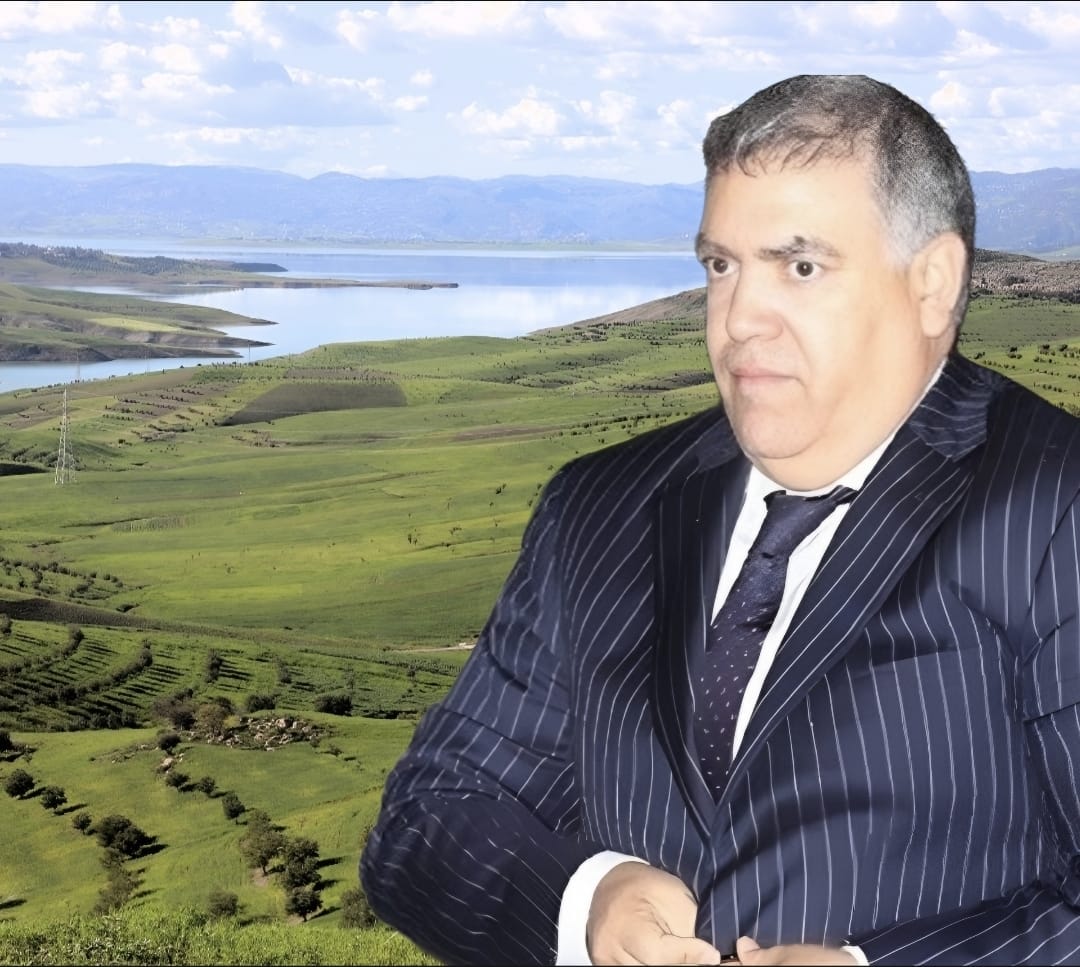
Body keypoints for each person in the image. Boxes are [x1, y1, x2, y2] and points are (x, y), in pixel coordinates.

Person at [360, 74, 1080, 966]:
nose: (739, 320)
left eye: (800, 267)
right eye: (721, 266)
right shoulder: (598, 504)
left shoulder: (1056, 509)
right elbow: (428, 820)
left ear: (933, 283)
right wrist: (586, 902)